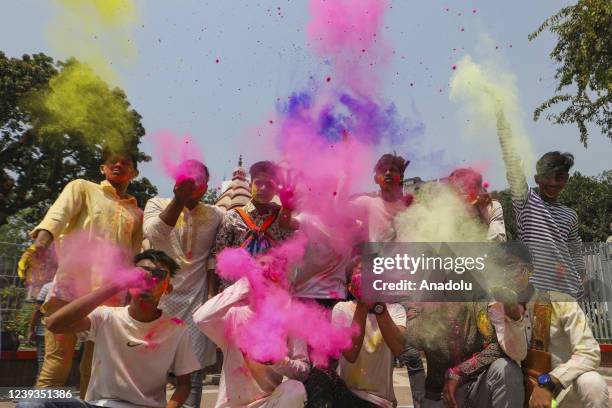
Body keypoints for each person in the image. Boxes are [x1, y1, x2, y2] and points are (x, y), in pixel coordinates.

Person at [17, 249, 199, 408]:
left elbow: (184, 385)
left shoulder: (177, 329)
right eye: (141, 273)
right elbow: (54, 324)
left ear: (168, 288)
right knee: (33, 400)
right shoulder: (105, 316)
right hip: (97, 405)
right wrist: (115, 285)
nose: (148, 280)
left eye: (158, 275)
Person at [26, 148, 143, 393]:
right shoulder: (82, 188)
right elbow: (58, 215)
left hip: (109, 299)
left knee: (94, 367)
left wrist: (133, 292)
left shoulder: (136, 213)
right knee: (56, 364)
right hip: (70, 289)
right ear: (103, 168)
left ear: (134, 172)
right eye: (112, 161)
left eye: (126, 162)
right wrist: (40, 243)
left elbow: (134, 257)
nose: (118, 165)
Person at [143, 160, 224, 408]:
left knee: (192, 374)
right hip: (161, 299)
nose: (190, 185)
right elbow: (154, 234)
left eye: (196, 181)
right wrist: (178, 200)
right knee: (153, 371)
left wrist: (211, 294)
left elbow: (215, 256)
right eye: (185, 179)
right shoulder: (157, 203)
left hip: (196, 301)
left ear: (205, 187)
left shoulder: (215, 215)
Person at [496, 109, 585, 298]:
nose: (553, 183)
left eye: (559, 178)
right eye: (547, 177)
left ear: (567, 180)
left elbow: (575, 249)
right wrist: (504, 130)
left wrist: (581, 275)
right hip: (536, 292)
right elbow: (512, 166)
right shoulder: (526, 201)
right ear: (537, 179)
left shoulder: (570, 216)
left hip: (567, 293)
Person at [193, 276, 310, 408]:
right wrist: (243, 285)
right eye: (261, 272)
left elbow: (303, 373)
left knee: (295, 388)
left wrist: (278, 360)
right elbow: (200, 318)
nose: (267, 278)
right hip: (230, 405)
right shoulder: (234, 314)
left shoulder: (292, 320)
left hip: (268, 402)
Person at [306, 260, 406, 408]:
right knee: (318, 374)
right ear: (351, 288)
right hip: (347, 394)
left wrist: (378, 305)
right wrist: (362, 304)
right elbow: (351, 354)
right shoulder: (342, 309)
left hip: (378, 400)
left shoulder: (395, 310)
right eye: (360, 274)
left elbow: (399, 348)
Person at [215, 161, 292, 290]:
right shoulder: (232, 217)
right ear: (250, 185)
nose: (263, 188)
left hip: (271, 294)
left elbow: (288, 257)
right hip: (235, 293)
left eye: (269, 185)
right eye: (258, 183)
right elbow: (218, 257)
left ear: (275, 190)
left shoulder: (282, 219)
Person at [447, 167, 506, 242]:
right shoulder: (450, 212)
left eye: (465, 187)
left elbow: (496, 240)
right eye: (457, 189)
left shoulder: (492, 207)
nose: (462, 192)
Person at [26, 281, 53, 377]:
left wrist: (31, 330)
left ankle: (41, 388)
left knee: (43, 362)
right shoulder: (73, 288)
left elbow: (37, 311)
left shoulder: (48, 286)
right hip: (61, 333)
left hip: (44, 332)